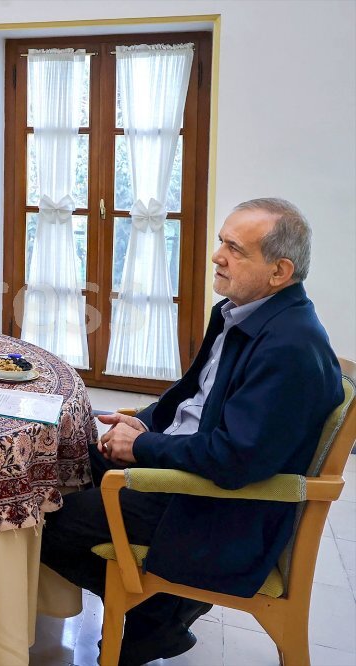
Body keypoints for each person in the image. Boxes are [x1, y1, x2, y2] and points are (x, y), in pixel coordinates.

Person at [41, 198, 343, 665]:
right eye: (222, 241)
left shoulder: (289, 347)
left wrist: (142, 447)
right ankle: (157, 613)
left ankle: (156, 612)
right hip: (183, 465)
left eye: (235, 249)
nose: (218, 255)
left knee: (40, 517)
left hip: (207, 506)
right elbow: (191, 396)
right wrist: (145, 424)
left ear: (280, 271)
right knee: (54, 464)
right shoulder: (238, 312)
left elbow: (235, 460)